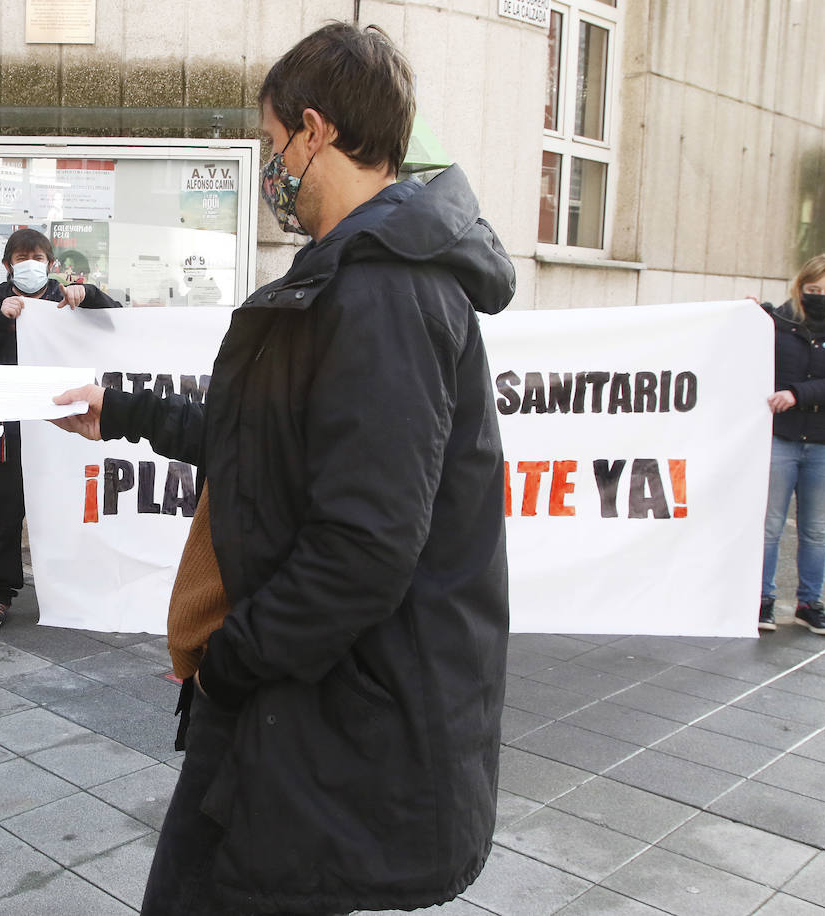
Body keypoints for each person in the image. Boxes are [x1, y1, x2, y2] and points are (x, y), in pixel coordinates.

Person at [52, 23, 512, 915]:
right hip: (295, 708)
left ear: (315, 130)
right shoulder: (356, 272)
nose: (271, 166)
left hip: (320, 713)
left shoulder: (383, 290)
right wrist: (126, 413)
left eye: (270, 143)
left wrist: (231, 661)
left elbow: (366, 546)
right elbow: (266, 444)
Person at [0, 228, 122, 628]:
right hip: (10, 434)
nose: (31, 264)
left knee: (69, 513)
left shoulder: (66, 300)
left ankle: (72, 591)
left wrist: (90, 295)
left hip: (64, 431)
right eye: (22, 257)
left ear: (50, 264)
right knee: (6, 515)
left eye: (38, 257)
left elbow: (118, 327)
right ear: (9, 264)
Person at [757, 253, 825, 636]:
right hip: (780, 440)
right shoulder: (776, 323)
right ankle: (762, 600)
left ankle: (809, 604)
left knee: (815, 531)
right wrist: (746, 317)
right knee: (769, 526)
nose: (822, 296)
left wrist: (797, 393)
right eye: (814, 289)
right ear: (800, 288)